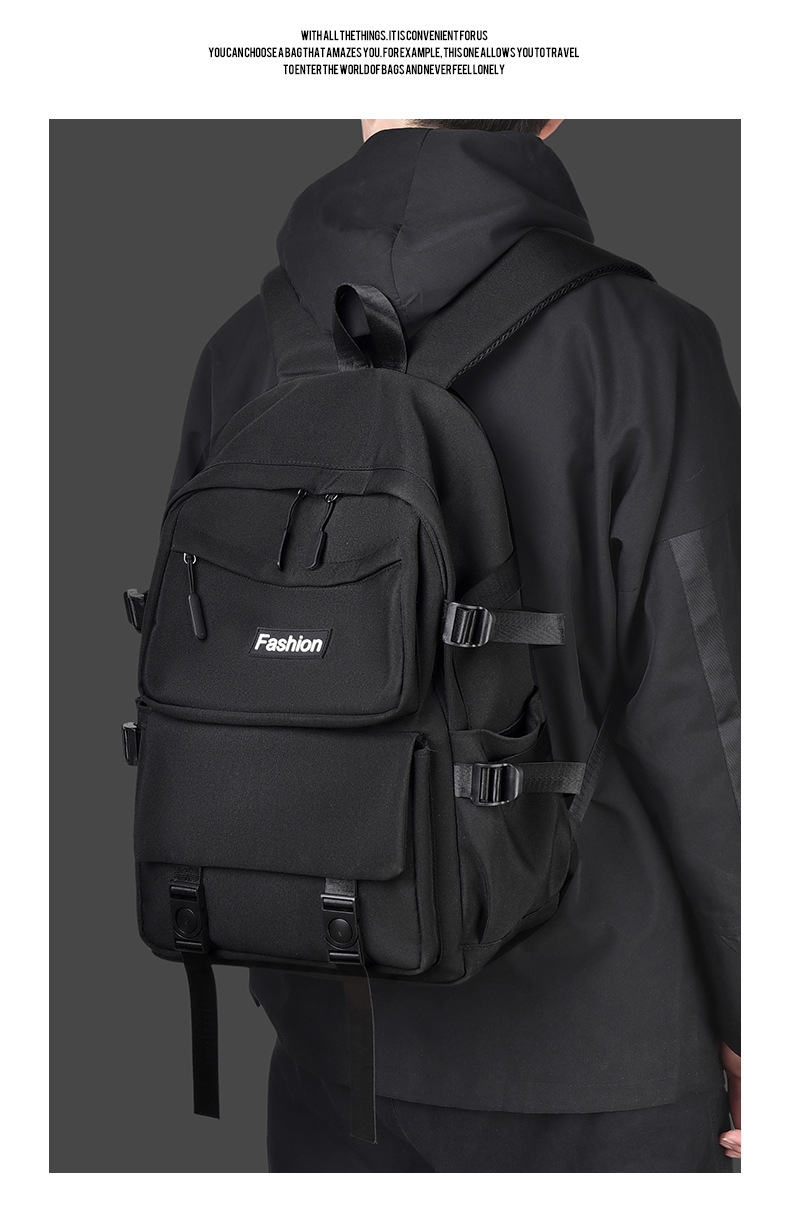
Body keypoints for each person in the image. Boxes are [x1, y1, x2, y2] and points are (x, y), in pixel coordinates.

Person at [169, 119, 741, 1173]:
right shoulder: (644, 342)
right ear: (553, 102)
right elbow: (707, 709)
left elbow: (194, 672)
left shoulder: (240, 349)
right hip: (600, 1047)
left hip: (329, 1023)